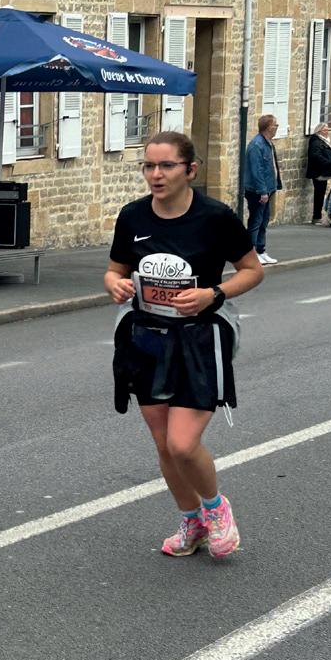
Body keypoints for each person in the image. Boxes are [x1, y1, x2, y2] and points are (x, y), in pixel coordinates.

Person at [106, 131, 264, 559]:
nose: (155, 175)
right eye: (148, 166)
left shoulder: (215, 217)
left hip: (199, 339)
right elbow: (114, 270)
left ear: (190, 170)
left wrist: (214, 294)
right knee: (163, 444)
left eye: (166, 166)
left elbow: (252, 270)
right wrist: (115, 284)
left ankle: (216, 509)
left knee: (182, 443)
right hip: (147, 339)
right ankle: (191, 521)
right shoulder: (133, 216)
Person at [243, 115, 281, 265]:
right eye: (275, 125)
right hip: (257, 191)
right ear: (268, 127)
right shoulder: (256, 145)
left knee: (263, 221)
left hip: (268, 188)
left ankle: (261, 250)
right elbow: (256, 170)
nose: (277, 128)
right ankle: (251, 253)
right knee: (256, 221)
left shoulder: (268, 144)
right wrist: (262, 191)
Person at [305, 123, 331, 225]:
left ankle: (318, 216)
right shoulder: (316, 142)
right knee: (319, 194)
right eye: (324, 130)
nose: (327, 132)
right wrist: (328, 162)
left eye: (327, 130)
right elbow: (315, 156)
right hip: (318, 172)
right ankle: (316, 217)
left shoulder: (322, 141)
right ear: (319, 131)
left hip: (322, 171)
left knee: (320, 193)